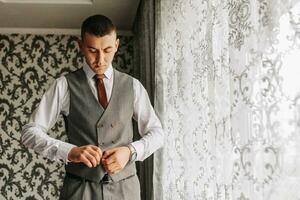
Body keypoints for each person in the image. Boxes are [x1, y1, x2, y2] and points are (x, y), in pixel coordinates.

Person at [21, 14, 164, 200]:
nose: (101, 59)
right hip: (79, 189)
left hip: (126, 190)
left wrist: (130, 151)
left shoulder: (133, 86)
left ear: (117, 45)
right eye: (92, 50)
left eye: (108, 50)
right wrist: (69, 151)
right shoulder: (64, 85)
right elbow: (30, 132)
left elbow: (157, 133)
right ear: (80, 45)